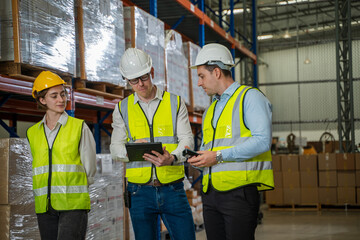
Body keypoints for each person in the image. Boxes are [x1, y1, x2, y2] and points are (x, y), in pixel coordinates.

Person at [188, 43, 274, 240]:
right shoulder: (211, 110)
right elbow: (209, 150)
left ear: (216, 72)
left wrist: (217, 156)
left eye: (201, 76)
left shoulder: (249, 98)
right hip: (210, 193)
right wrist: (196, 158)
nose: (199, 83)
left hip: (239, 194)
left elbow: (262, 141)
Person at [110, 48, 196, 240]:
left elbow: (187, 140)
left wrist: (172, 157)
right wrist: (131, 149)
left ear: (153, 73)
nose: (140, 84)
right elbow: (115, 149)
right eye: (134, 80)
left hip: (172, 187)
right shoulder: (122, 109)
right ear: (127, 80)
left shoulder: (175, 102)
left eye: (144, 77)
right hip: (139, 191)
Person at [27, 71, 96, 240]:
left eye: (63, 94)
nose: (61, 99)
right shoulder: (32, 133)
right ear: (42, 100)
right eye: (54, 96)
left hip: (73, 206)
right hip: (45, 207)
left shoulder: (79, 127)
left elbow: (90, 170)